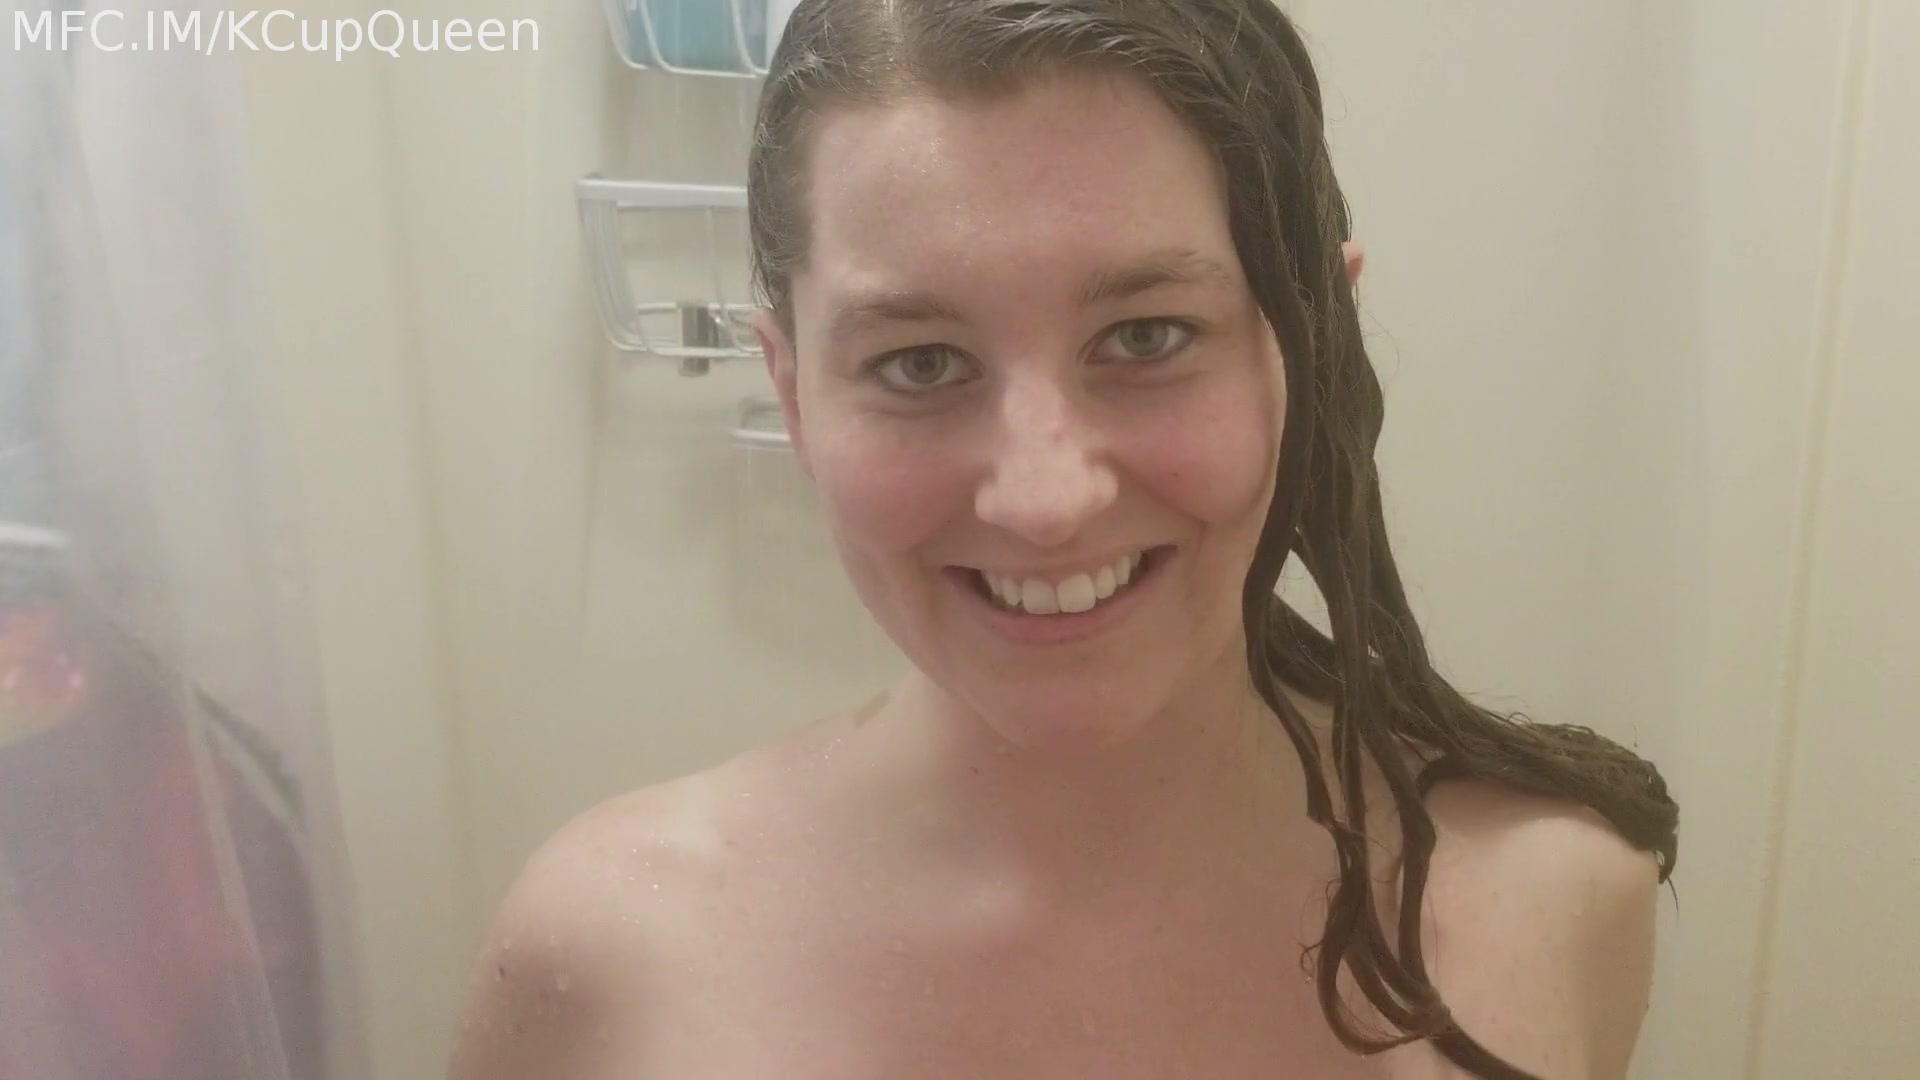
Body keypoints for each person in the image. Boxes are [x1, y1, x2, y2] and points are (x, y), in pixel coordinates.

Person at [447, 0, 1679, 1076]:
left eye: (1147, 337)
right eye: (919, 362)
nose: (1044, 501)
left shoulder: (1556, 901)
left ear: (1313, 348)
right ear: (796, 395)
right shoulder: (607, 953)